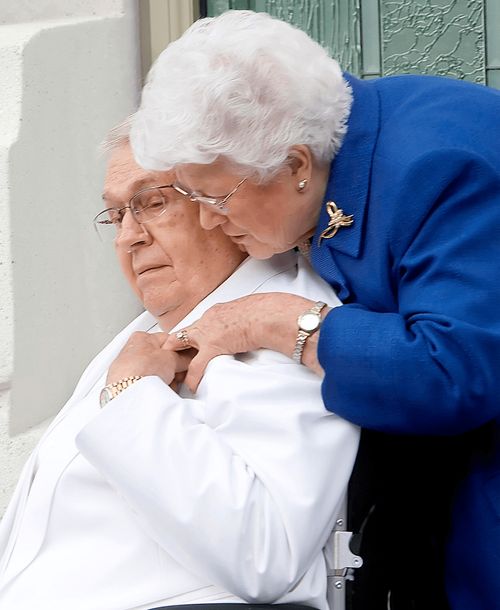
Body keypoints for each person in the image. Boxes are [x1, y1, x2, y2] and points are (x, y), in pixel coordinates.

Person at [129, 10, 500, 610]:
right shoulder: (347, 154)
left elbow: (453, 371)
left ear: (296, 165)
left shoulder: (437, 169)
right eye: (189, 196)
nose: (205, 220)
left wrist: (278, 321)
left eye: (215, 196)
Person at [0, 140, 359, 610]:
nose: (129, 235)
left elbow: (265, 551)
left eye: (153, 203)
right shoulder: (157, 325)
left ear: (219, 202)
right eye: (115, 215)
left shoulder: (274, 325)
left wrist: (131, 392)